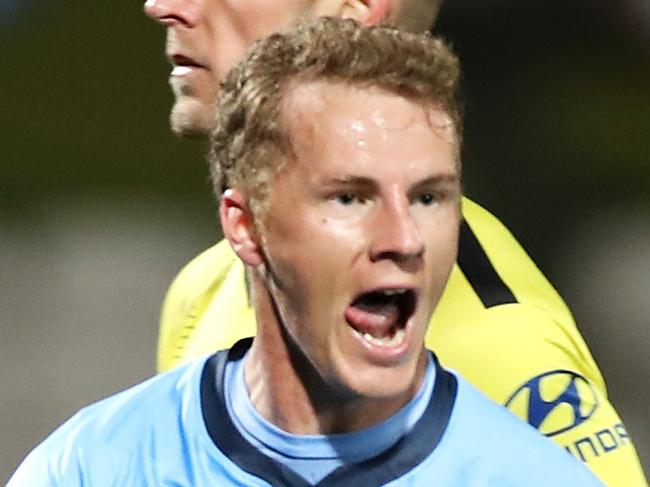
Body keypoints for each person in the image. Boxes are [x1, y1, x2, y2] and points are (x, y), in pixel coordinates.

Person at [9, 19, 603, 485]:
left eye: (428, 197)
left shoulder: (532, 474)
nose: (403, 239)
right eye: (349, 198)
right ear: (244, 227)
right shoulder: (93, 468)